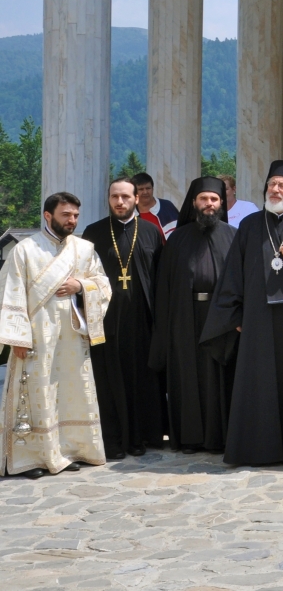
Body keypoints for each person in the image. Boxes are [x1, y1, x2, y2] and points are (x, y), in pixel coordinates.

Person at [200, 160, 283, 466]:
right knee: (256, 382)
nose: (274, 190)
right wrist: (234, 316)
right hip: (256, 320)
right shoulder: (249, 225)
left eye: (281, 185)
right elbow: (232, 273)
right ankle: (255, 449)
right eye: (271, 184)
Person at [0, 192, 111, 479]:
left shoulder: (84, 249)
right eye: (66, 215)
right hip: (36, 338)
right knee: (35, 395)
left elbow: (102, 285)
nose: (72, 220)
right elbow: (10, 292)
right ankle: (30, 458)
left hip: (72, 338)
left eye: (75, 215)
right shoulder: (24, 250)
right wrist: (17, 338)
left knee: (70, 394)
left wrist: (80, 285)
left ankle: (68, 451)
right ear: (48, 216)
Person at [150, 176, 236, 454]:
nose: (209, 204)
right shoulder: (177, 240)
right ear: (194, 202)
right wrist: (167, 326)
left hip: (221, 320)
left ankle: (219, 437)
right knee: (188, 378)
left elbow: (242, 282)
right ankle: (189, 438)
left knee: (218, 380)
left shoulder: (233, 236)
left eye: (214, 199)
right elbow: (163, 287)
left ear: (222, 203)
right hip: (184, 320)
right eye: (204, 199)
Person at [83, 177, 166, 459]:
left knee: (141, 379)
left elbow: (160, 279)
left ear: (136, 199)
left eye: (125, 197)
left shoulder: (151, 232)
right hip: (105, 322)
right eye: (115, 197)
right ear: (109, 199)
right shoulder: (92, 234)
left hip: (142, 321)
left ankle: (142, 435)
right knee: (109, 382)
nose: (120, 202)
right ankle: (113, 439)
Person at [133, 172, 180, 240]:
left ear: (153, 189)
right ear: (134, 192)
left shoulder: (167, 206)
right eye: (141, 189)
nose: (145, 192)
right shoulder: (130, 213)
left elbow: (181, 232)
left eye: (148, 188)